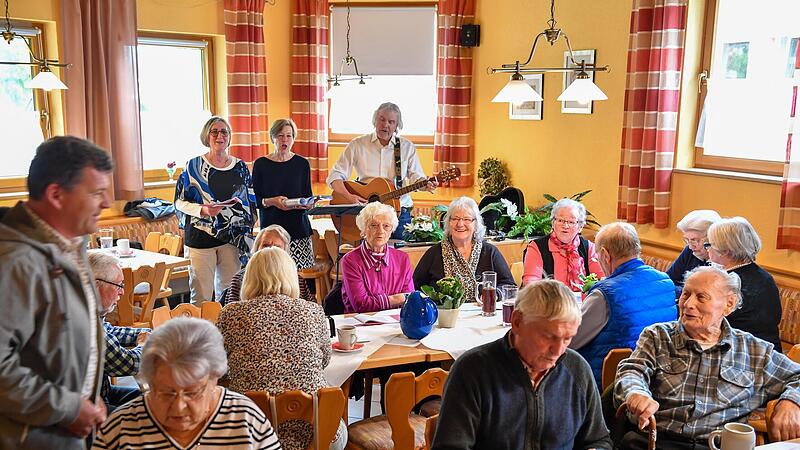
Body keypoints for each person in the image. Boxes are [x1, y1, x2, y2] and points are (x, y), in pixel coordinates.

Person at [0, 136, 110, 449]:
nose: (106, 204)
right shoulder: (16, 262)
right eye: (96, 193)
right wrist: (69, 406)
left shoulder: (69, 246)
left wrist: (86, 391)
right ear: (56, 195)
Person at [614, 266, 800, 449]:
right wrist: (636, 393)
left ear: (729, 304)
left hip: (716, 445)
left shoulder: (754, 351)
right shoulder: (657, 336)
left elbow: (797, 376)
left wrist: (791, 402)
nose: (688, 304)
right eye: (686, 294)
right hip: (657, 440)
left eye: (701, 297)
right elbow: (632, 371)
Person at [432, 280, 612, 450]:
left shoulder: (577, 369)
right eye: (549, 336)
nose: (558, 351)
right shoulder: (472, 371)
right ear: (517, 322)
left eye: (568, 338)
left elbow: (598, 439)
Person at [217, 247, 346, 450]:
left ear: (249, 277)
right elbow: (324, 360)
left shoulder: (231, 314)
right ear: (290, 275)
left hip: (252, 434)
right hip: (318, 432)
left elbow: (219, 368)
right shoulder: (312, 310)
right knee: (340, 429)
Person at [93, 317, 282, 449]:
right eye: (166, 393)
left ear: (214, 379)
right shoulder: (121, 428)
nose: (179, 407)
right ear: (150, 382)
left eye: (192, 393)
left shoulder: (244, 418)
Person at [569, 222, 677, 387]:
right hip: (655, 376)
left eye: (597, 257)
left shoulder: (605, 294)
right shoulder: (665, 282)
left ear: (605, 255)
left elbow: (571, 340)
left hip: (608, 383)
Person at [174, 116, 257, 303]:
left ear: (229, 137)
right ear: (207, 136)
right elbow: (179, 202)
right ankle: (201, 333)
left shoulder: (240, 167)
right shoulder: (193, 166)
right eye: (214, 131)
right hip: (199, 238)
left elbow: (250, 200)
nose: (220, 136)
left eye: (224, 132)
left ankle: (225, 332)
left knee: (230, 295)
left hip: (232, 238)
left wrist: (248, 220)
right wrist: (203, 210)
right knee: (201, 296)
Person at [326, 102, 437, 239]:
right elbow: (334, 176)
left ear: (397, 126)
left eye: (391, 122)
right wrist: (350, 197)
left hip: (399, 212)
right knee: (366, 257)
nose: (386, 125)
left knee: (399, 255)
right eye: (382, 119)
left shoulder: (406, 147)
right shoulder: (358, 144)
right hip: (366, 212)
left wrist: (425, 184)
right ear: (375, 120)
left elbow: (417, 177)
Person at [413, 197, 515, 299]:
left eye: (467, 219)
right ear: (449, 222)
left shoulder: (490, 252)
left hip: (482, 312)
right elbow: (414, 287)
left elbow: (509, 286)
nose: (460, 224)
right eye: (455, 219)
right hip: (443, 314)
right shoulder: (433, 253)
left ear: (475, 224)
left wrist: (495, 294)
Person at [706, 216, 782, 350]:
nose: (707, 249)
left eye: (709, 245)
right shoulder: (764, 276)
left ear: (726, 251)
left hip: (745, 356)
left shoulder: (727, 284)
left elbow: (708, 325)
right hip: (770, 350)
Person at [88, 251, 150, 412]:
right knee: (150, 412)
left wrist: (144, 332)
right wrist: (144, 344)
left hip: (103, 393)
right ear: (96, 285)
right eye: (119, 285)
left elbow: (110, 332)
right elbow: (128, 364)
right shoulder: (86, 321)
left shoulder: (92, 311)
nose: (122, 291)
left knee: (153, 401)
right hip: (89, 406)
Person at [252, 118, 315, 269]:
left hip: (298, 229)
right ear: (272, 138)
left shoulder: (302, 164)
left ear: (293, 139)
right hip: (271, 233)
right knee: (271, 274)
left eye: (289, 136)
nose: (285, 140)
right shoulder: (260, 164)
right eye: (280, 136)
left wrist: (307, 205)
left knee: (297, 279)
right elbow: (254, 200)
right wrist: (272, 201)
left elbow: (309, 197)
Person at [341, 202, 415, 312]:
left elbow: (410, 300)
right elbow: (361, 305)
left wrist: (399, 299)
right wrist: (397, 298)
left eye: (386, 226)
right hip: (361, 323)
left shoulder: (402, 258)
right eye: (374, 225)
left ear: (391, 230)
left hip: (395, 322)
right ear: (364, 229)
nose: (380, 231)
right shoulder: (350, 260)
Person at [522, 198, 604, 291]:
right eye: (560, 220)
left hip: (583, 303)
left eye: (571, 222)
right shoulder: (537, 247)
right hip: (548, 302)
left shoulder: (588, 248)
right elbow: (531, 284)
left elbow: (602, 280)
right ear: (553, 223)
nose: (565, 226)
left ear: (580, 227)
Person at [225, 224, 314, 305]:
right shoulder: (240, 278)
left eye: (277, 247)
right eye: (266, 245)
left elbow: (310, 309)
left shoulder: (296, 279)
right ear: (256, 249)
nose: (270, 251)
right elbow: (231, 313)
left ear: (285, 252)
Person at [666, 209, 721, 290]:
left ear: (712, 239)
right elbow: (668, 281)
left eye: (695, 240)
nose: (691, 246)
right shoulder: (689, 250)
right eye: (687, 240)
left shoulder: (723, 259)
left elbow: (705, 294)